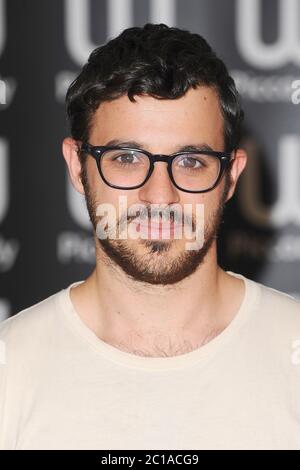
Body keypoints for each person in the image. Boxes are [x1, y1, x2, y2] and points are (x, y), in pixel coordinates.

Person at [0, 23, 299, 451]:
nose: (159, 195)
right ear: (76, 167)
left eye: (191, 162)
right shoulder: (10, 373)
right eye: (126, 158)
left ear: (231, 176)